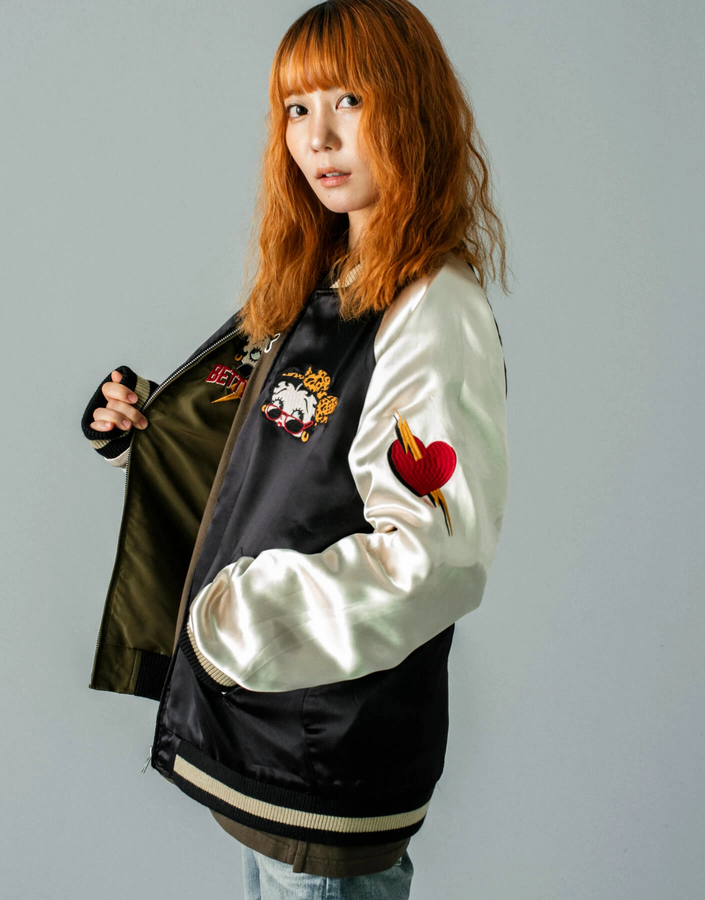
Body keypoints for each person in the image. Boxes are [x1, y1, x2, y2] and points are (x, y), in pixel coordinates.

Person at [80, 1, 511, 897]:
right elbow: (269, 451)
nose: (319, 137)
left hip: (325, 756)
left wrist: (242, 619)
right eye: (297, 108)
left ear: (411, 107)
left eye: (350, 100)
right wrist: (140, 431)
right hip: (274, 751)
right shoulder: (330, 281)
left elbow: (434, 558)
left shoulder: (431, 308)